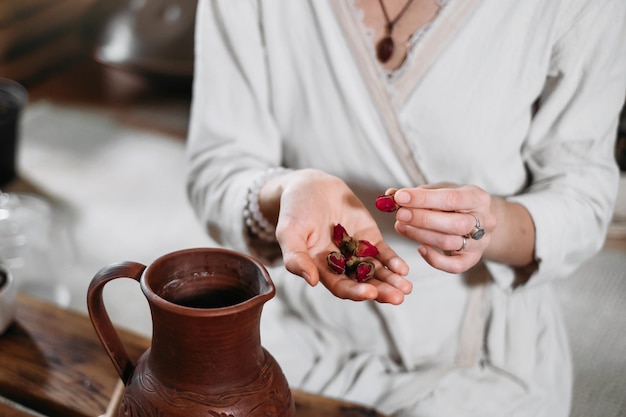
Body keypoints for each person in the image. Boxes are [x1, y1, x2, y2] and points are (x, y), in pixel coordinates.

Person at [185, 0, 626, 415]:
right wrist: (285, 192)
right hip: (296, 327)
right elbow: (218, 168)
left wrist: (491, 226)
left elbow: (583, 195)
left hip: (485, 352)